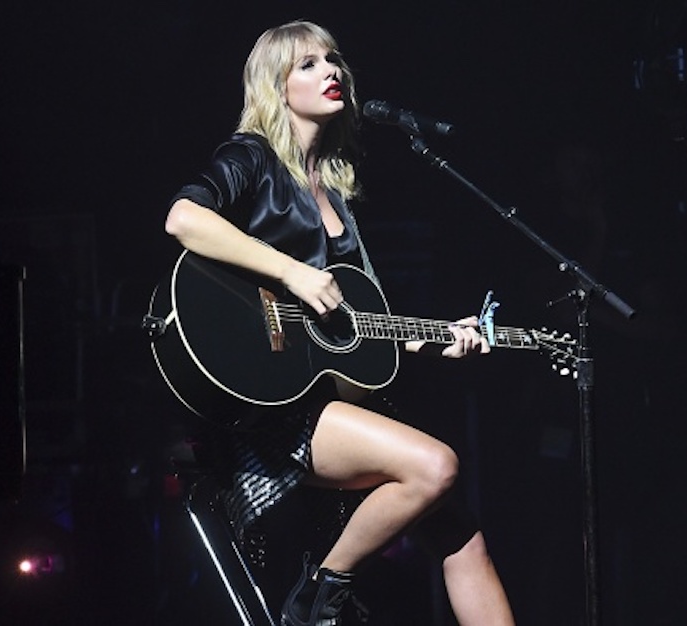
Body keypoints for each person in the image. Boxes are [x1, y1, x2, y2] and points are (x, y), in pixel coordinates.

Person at [163, 20, 515, 625]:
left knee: (465, 540)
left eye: (333, 60)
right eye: (307, 64)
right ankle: (317, 597)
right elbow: (183, 219)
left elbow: (354, 328)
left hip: (330, 394)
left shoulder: (336, 190)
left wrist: (434, 339)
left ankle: (321, 592)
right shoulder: (251, 157)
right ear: (275, 86)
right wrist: (292, 273)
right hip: (273, 406)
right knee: (436, 466)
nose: (331, 71)